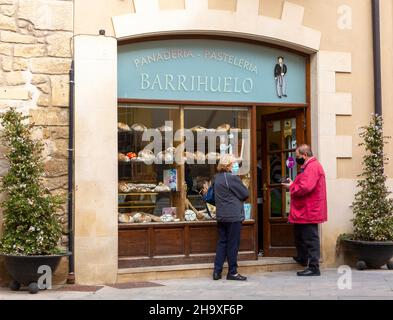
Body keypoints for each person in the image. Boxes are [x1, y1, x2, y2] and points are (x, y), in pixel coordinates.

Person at [282, 144, 327, 276]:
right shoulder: (309, 166)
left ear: (305, 155)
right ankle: (303, 257)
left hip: (309, 209)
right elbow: (303, 184)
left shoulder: (312, 167)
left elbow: (306, 187)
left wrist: (291, 187)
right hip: (305, 209)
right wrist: (293, 183)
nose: (297, 159)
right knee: (300, 235)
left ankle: (314, 267)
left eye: (297, 156)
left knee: (310, 238)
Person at [213, 154, 250, 281]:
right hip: (233, 216)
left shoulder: (217, 178)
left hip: (221, 216)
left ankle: (217, 272)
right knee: (233, 244)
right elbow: (245, 194)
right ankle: (232, 272)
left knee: (222, 242)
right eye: (233, 163)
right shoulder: (232, 178)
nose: (235, 165)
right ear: (228, 165)